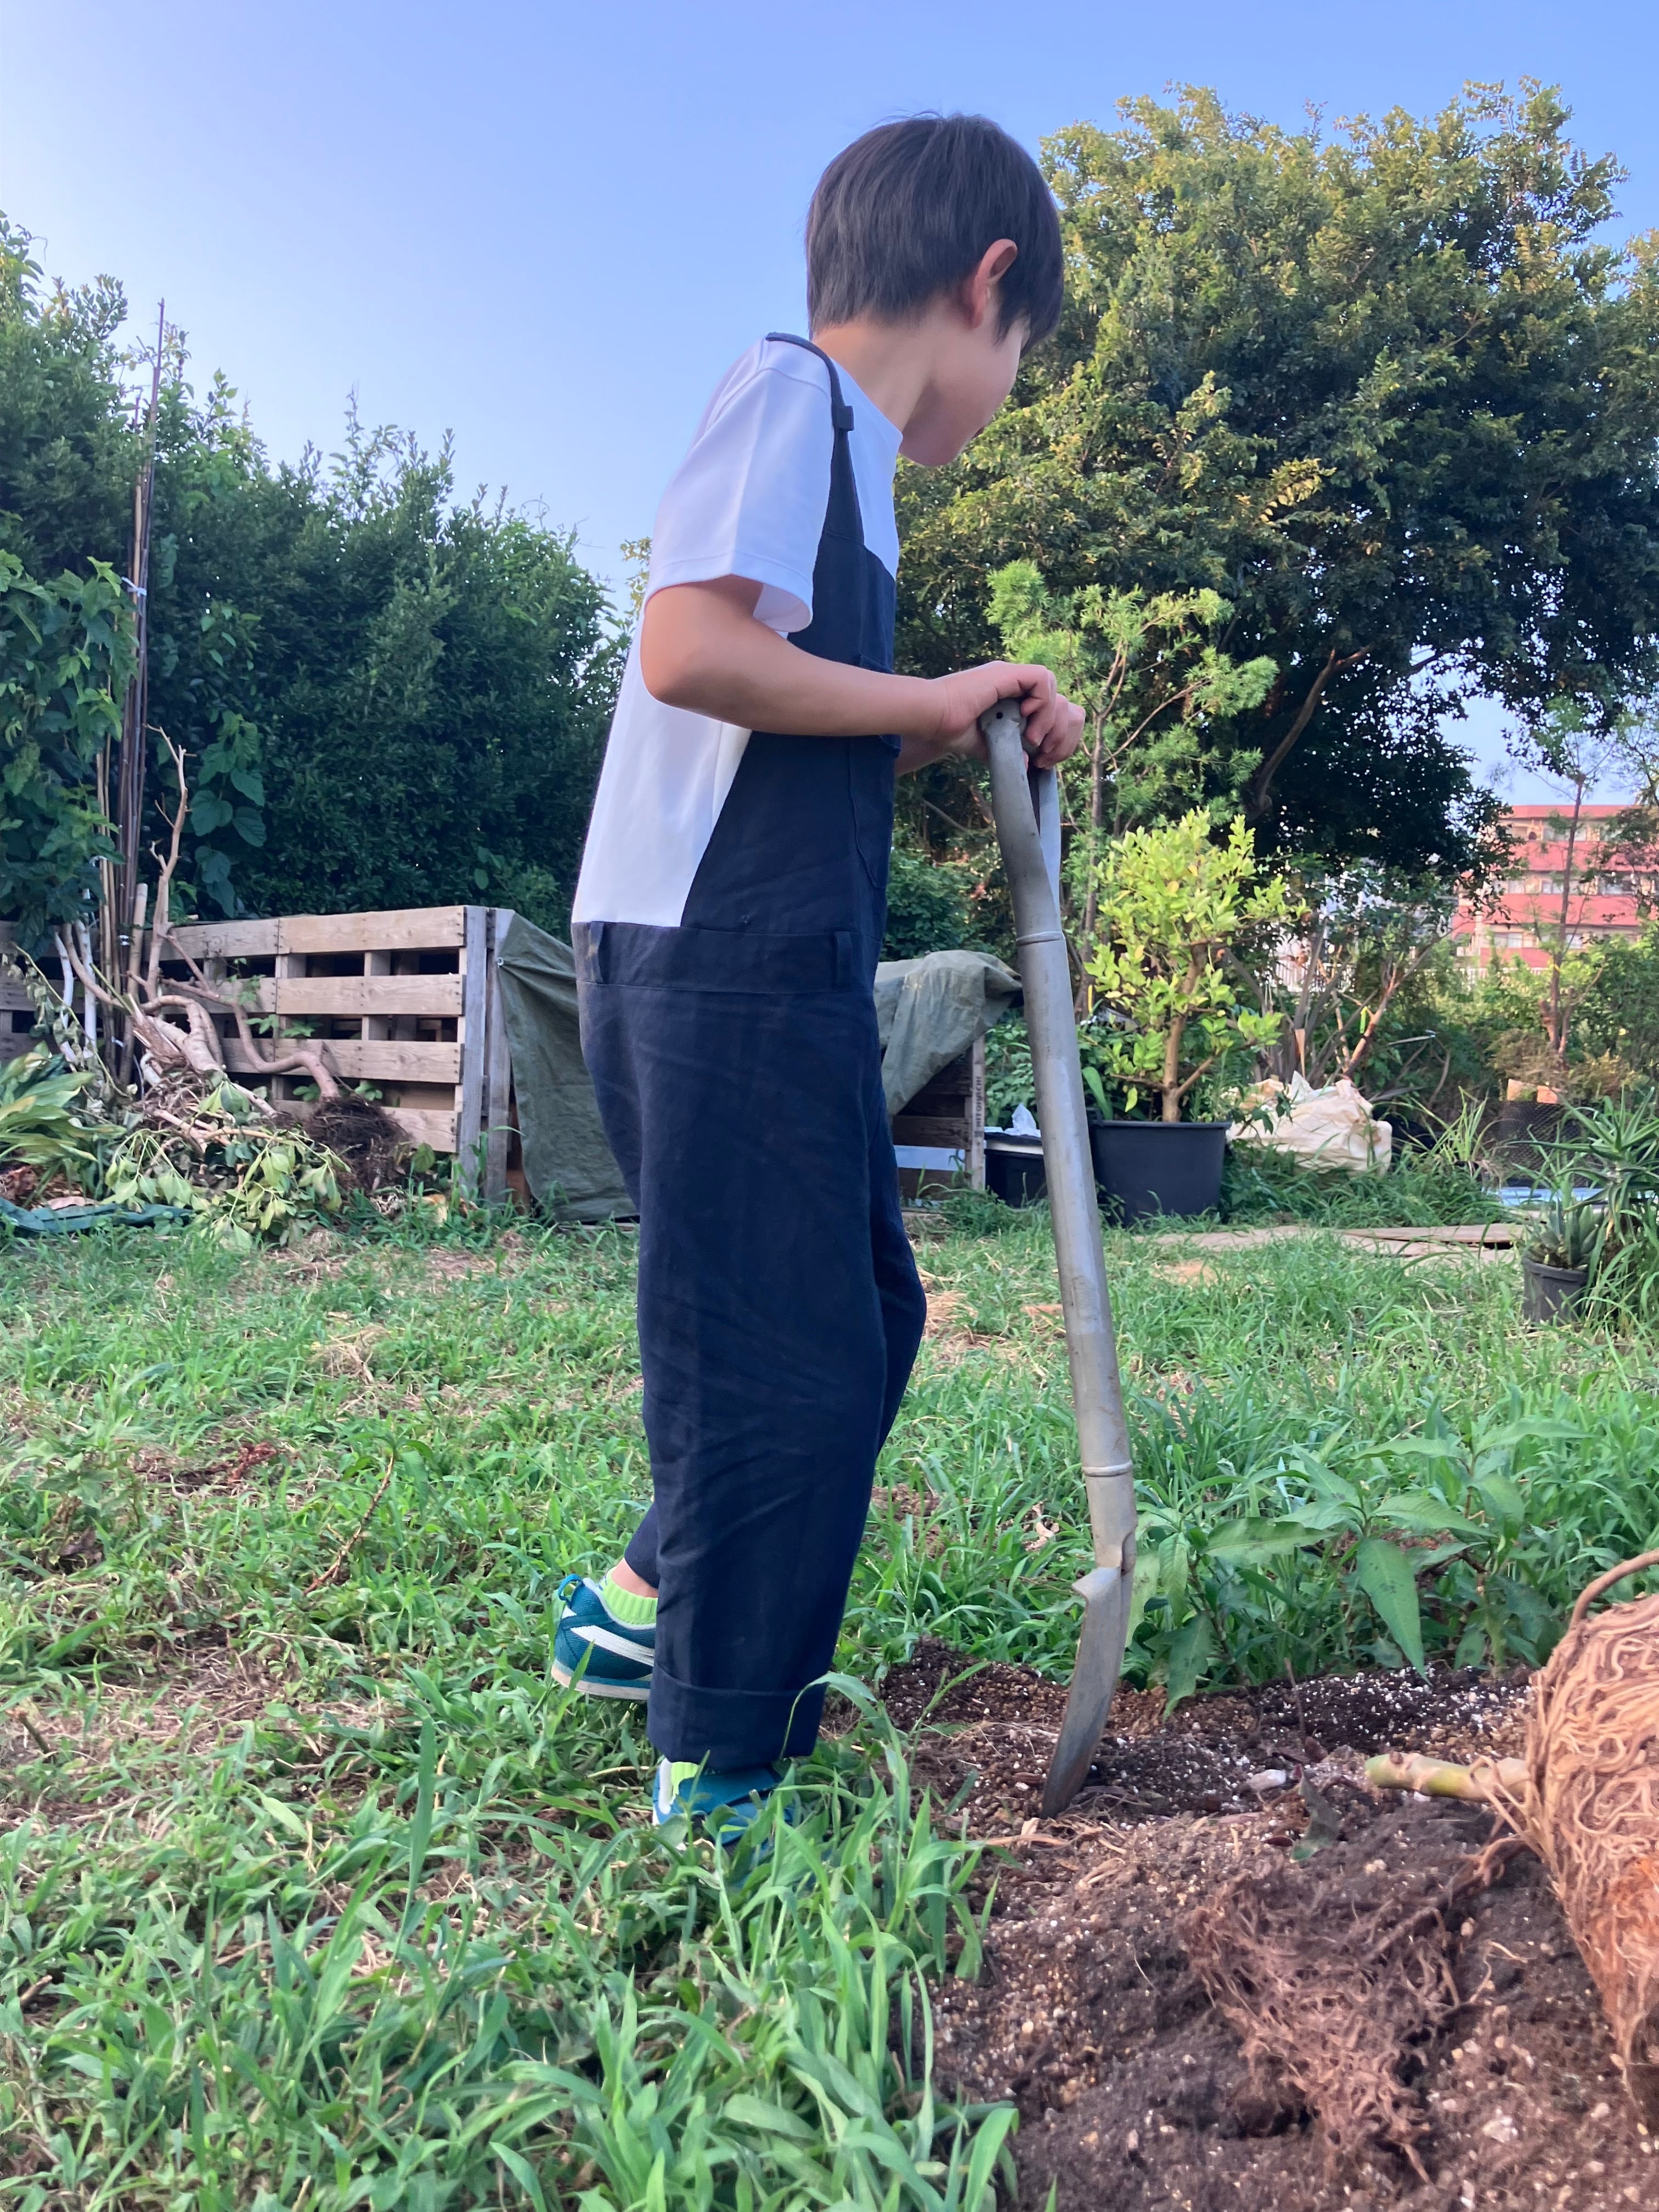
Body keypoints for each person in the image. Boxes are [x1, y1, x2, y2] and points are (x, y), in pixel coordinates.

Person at [556, 113, 1084, 1835]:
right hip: (707, 948)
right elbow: (691, 645)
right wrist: (930, 698)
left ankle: (640, 1604)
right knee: (774, 1360)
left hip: (778, 954)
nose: (1008, 387)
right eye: (1024, 350)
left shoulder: (855, 466)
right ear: (986, 285)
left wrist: (964, 711)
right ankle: (721, 1766)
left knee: (865, 1313)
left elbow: (799, 718)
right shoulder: (793, 398)